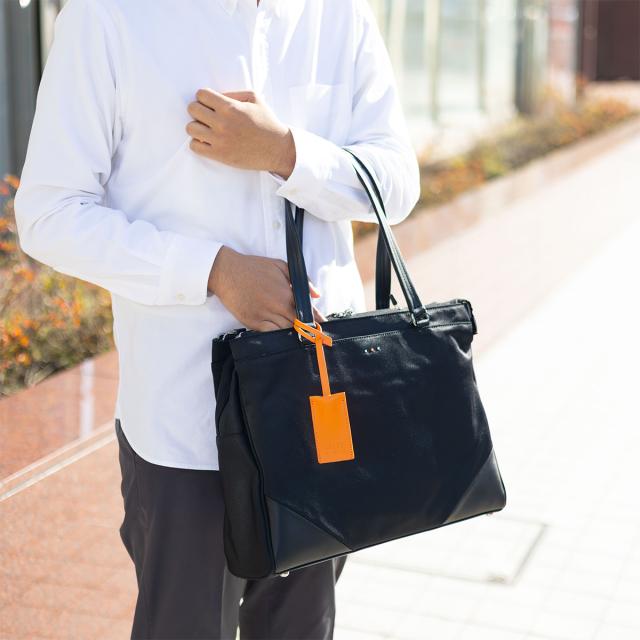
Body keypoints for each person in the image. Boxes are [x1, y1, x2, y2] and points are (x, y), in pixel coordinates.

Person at [13, 0, 420, 637]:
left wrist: (286, 152)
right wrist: (213, 270)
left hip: (321, 400)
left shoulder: (340, 14)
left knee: (301, 628)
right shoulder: (108, 17)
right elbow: (49, 215)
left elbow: (396, 184)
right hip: (185, 421)